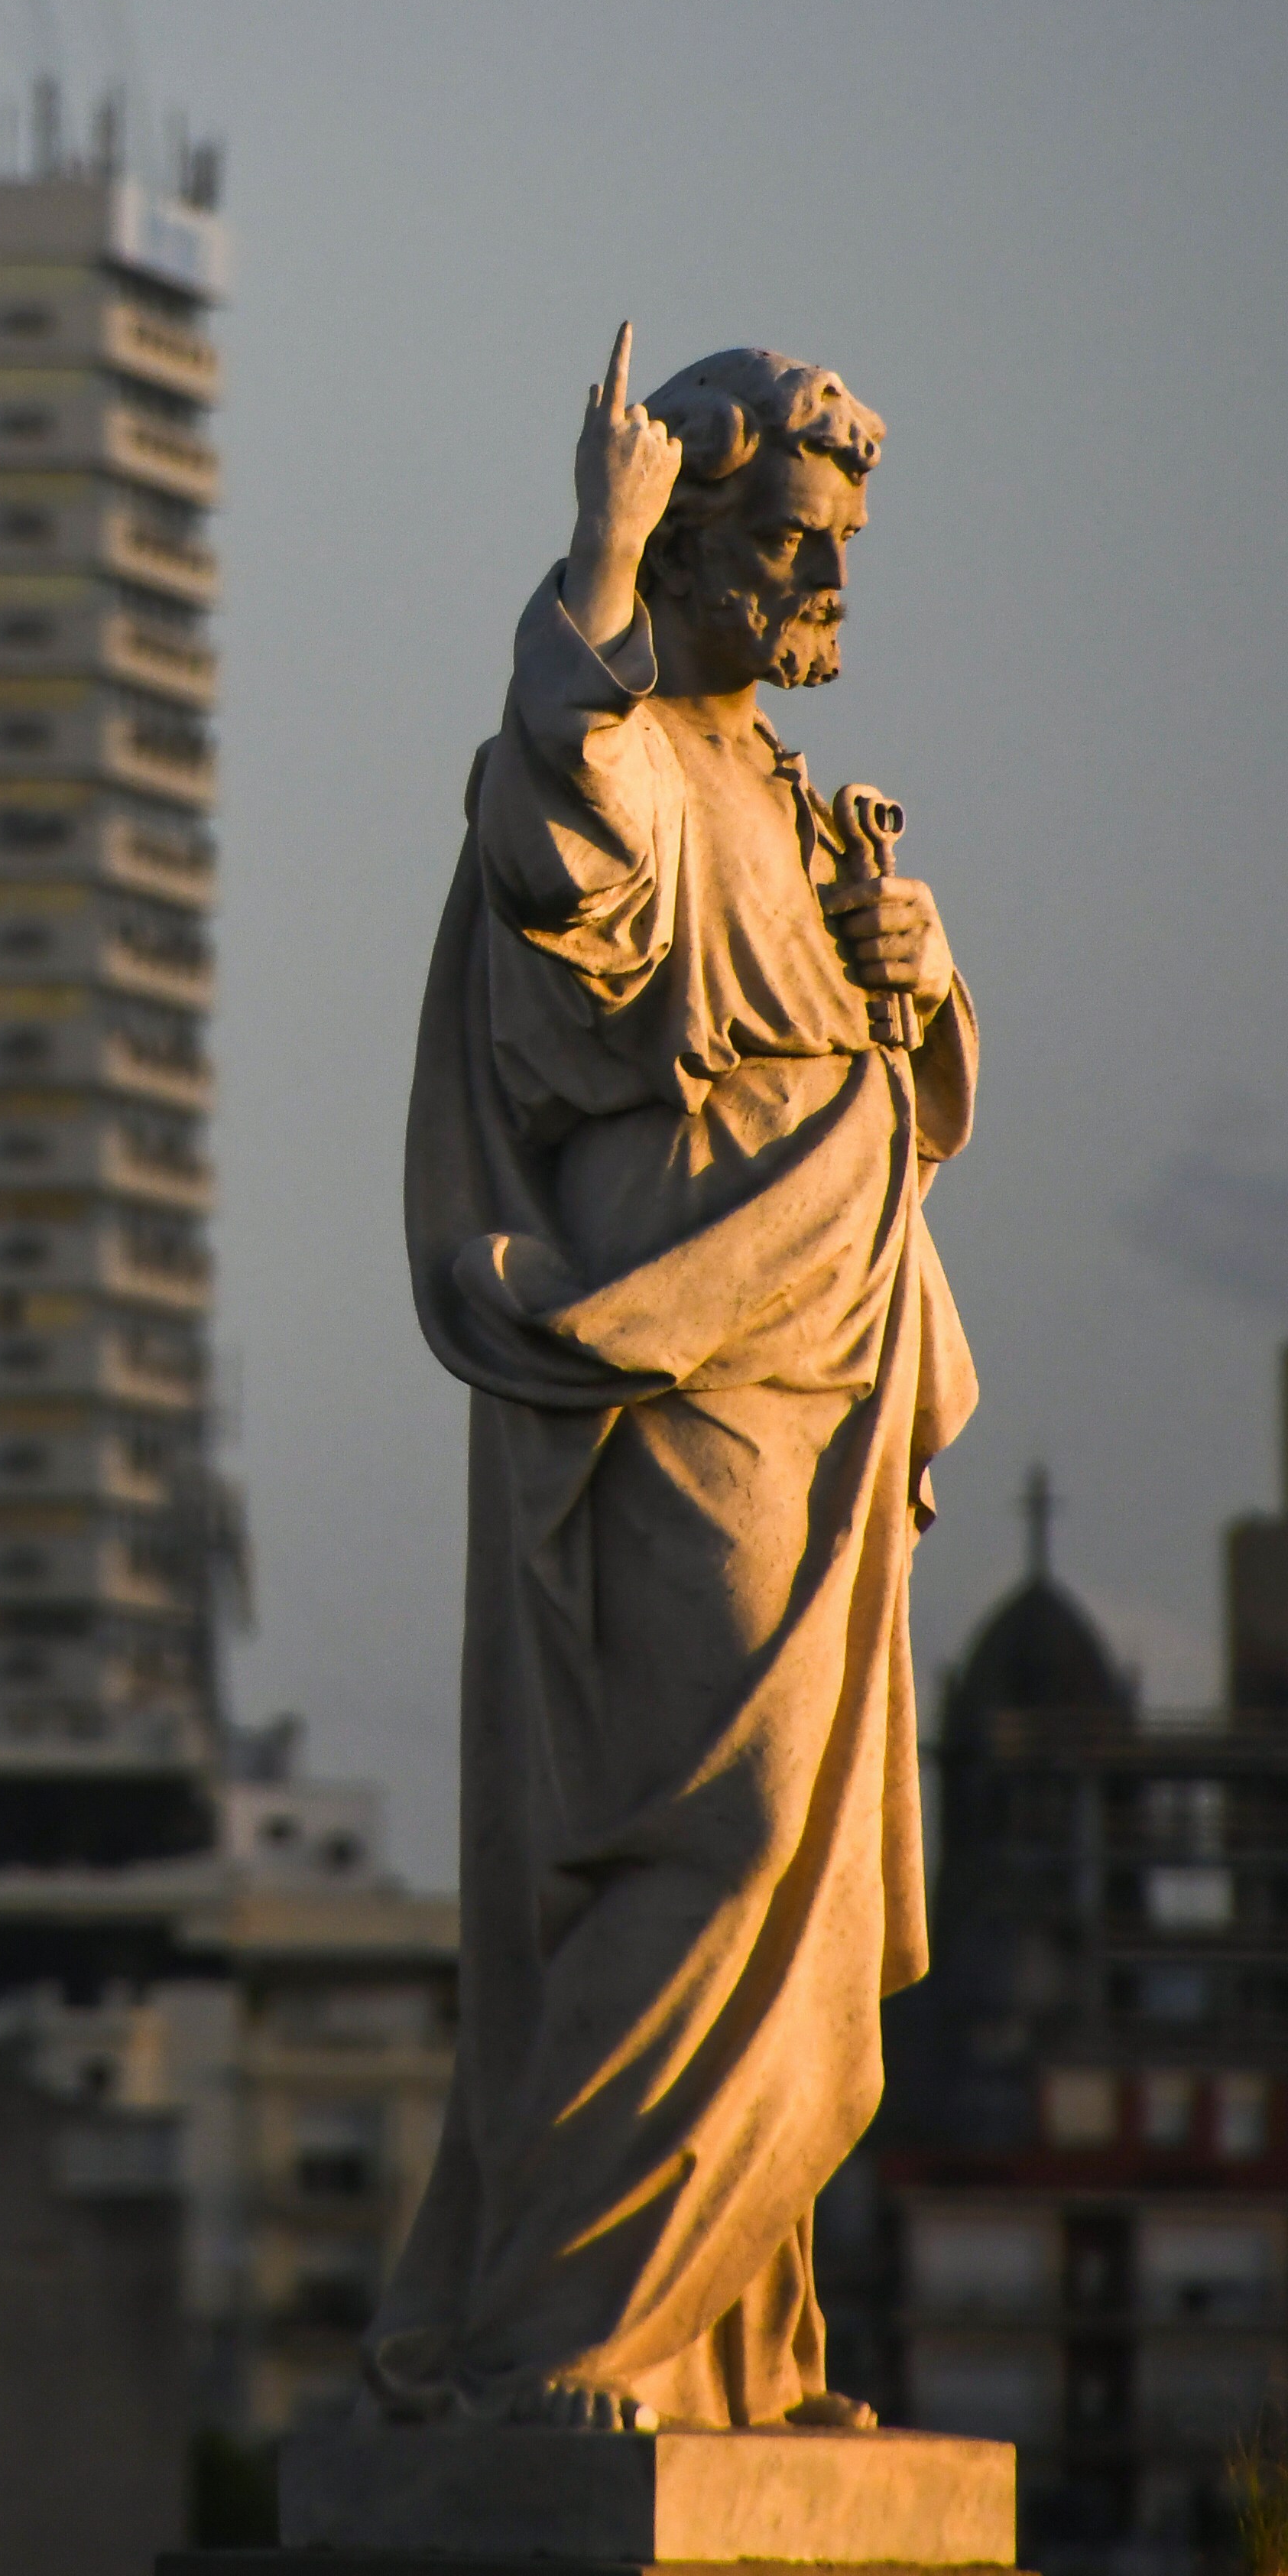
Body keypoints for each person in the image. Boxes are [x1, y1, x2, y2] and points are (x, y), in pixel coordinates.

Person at [362, 325, 978, 2435]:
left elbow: (883, 1070)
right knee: (699, 1836)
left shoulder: (790, 796)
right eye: (795, 541)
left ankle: (730, 2340)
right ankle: (560, 2338)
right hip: (681, 1353)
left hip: (828, 1357)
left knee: (800, 1871)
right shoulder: (615, 740)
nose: (826, 589)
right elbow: (563, 838)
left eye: (845, 550)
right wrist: (595, 563)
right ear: (692, 531)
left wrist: (917, 974)